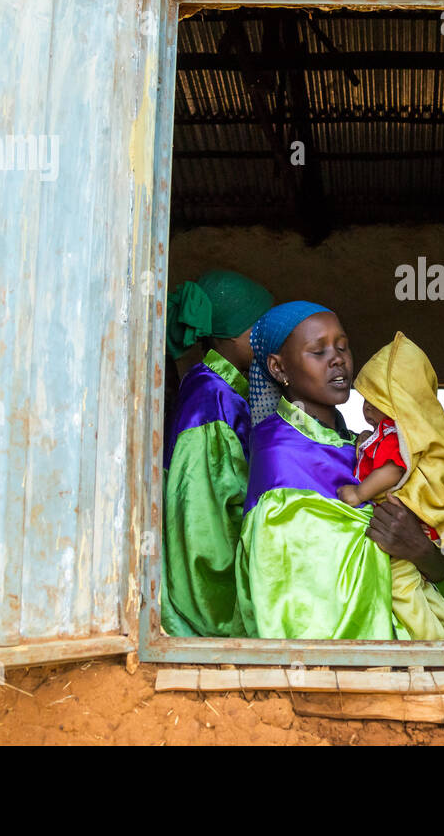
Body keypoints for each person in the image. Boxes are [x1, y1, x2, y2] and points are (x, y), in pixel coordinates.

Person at [237, 302, 444, 640]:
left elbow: (439, 559)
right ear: (279, 368)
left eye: (342, 346)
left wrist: (421, 549)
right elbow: (300, 590)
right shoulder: (279, 453)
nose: (337, 359)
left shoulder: (365, 447)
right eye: (318, 351)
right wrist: (396, 543)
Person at [340, 332, 444, 640]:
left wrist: (359, 493)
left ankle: (437, 646)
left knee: (404, 590)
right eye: (364, 400)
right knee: (419, 592)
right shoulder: (386, 435)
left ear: (398, 404)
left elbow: (392, 468)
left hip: (401, 538)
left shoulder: (398, 438)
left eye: (374, 401)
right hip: (404, 541)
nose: (365, 409)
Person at [161, 269, 274, 637]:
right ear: (231, 335)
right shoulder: (211, 397)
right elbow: (202, 517)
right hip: (208, 587)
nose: (270, 339)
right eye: (260, 329)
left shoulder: (230, 390)